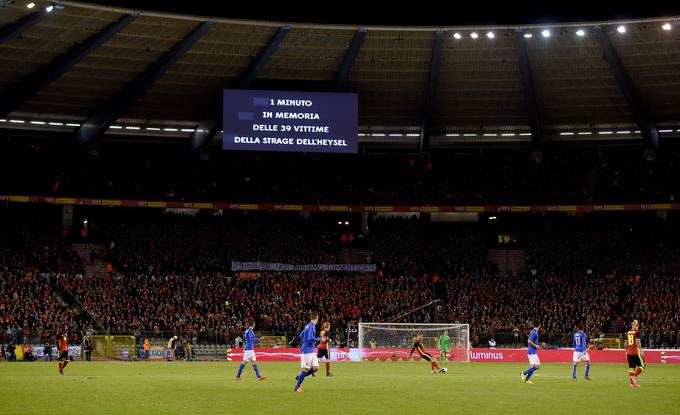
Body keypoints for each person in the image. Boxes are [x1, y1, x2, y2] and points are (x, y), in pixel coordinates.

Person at [294, 311, 321, 392]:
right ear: (316, 318)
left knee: (316, 368)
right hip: (306, 350)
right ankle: (297, 387)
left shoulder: (308, 326)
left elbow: (301, 335)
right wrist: (319, 339)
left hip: (310, 349)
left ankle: (301, 376)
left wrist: (308, 342)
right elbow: (310, 338)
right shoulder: (311, 327)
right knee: (306, 369)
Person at [625, 319, 645, 388]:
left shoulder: (628, 332)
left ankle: (631, 384)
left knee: (631, 368)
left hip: (629, 352)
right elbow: (638, 341)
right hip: (635, 352)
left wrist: (626, 351)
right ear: (636, 326)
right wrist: (641, 350)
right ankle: (633, 378)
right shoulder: (637, 332)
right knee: (642, 366)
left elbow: (626, 343)